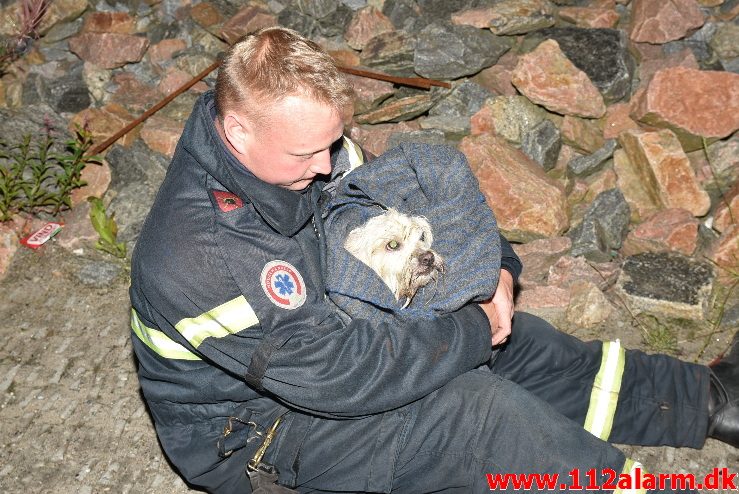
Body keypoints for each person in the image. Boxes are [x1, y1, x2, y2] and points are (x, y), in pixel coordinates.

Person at [129, 26, 738, 493]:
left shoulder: (300, 150)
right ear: (236, 133)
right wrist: (469, 328)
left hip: (343, 335)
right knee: (475, 417)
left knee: (522, 344)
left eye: (331, 143)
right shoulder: (200, 255)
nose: (324, 165)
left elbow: (416, 210)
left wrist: (492, 276)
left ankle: (712, 399)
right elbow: (340, 377)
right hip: (261, 428)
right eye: (304, 153)